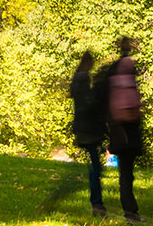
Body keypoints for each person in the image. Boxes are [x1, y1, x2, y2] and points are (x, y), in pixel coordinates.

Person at [41, 51, 110, 217]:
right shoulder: (83, 78)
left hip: (84, 127)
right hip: (88, 128)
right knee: (95, 168)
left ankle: (97, 202)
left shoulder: (78, 78)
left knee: (94, 167)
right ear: (89, 63)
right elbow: (87, 104)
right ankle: (96, 204)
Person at [105, 37, 145, 223]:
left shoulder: (113, 73)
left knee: (126, 173)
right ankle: (131, 213)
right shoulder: (128, 74)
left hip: (119, 128)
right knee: (127, 174)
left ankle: (131, 212)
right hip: (127, 128)